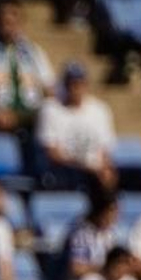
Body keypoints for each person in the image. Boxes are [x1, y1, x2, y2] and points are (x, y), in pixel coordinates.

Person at [0, 0, 54, 137]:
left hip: (30, 114)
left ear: (21, 24)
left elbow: (48, 86)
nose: (9, 27)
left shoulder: (33, 51)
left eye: (13, 22)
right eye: (4, 22)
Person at [37, 62, 115, 194]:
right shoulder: (51, 109)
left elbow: (105, 151)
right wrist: (84, 166)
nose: (75, 88)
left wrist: (103, 169)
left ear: (86, 84)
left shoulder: (100, 110)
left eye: (79, 83)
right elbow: (52, 153)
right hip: (64, 171)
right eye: (71, 83)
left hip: (94, 173)